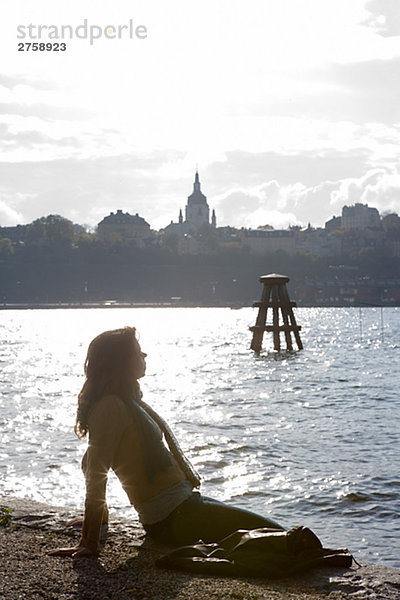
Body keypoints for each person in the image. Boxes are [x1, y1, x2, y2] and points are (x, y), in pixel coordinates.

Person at [48, 326, 283, 558]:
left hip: (185, 506)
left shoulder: (128, 401)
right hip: (171, 519)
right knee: (278, 535)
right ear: (120, 361)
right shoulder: (112, 406)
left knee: (275, 534)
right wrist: (90, 539)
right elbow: (95, 469)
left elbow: (96, 461)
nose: (144, 356)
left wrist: (101, 519)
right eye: (137, 352)